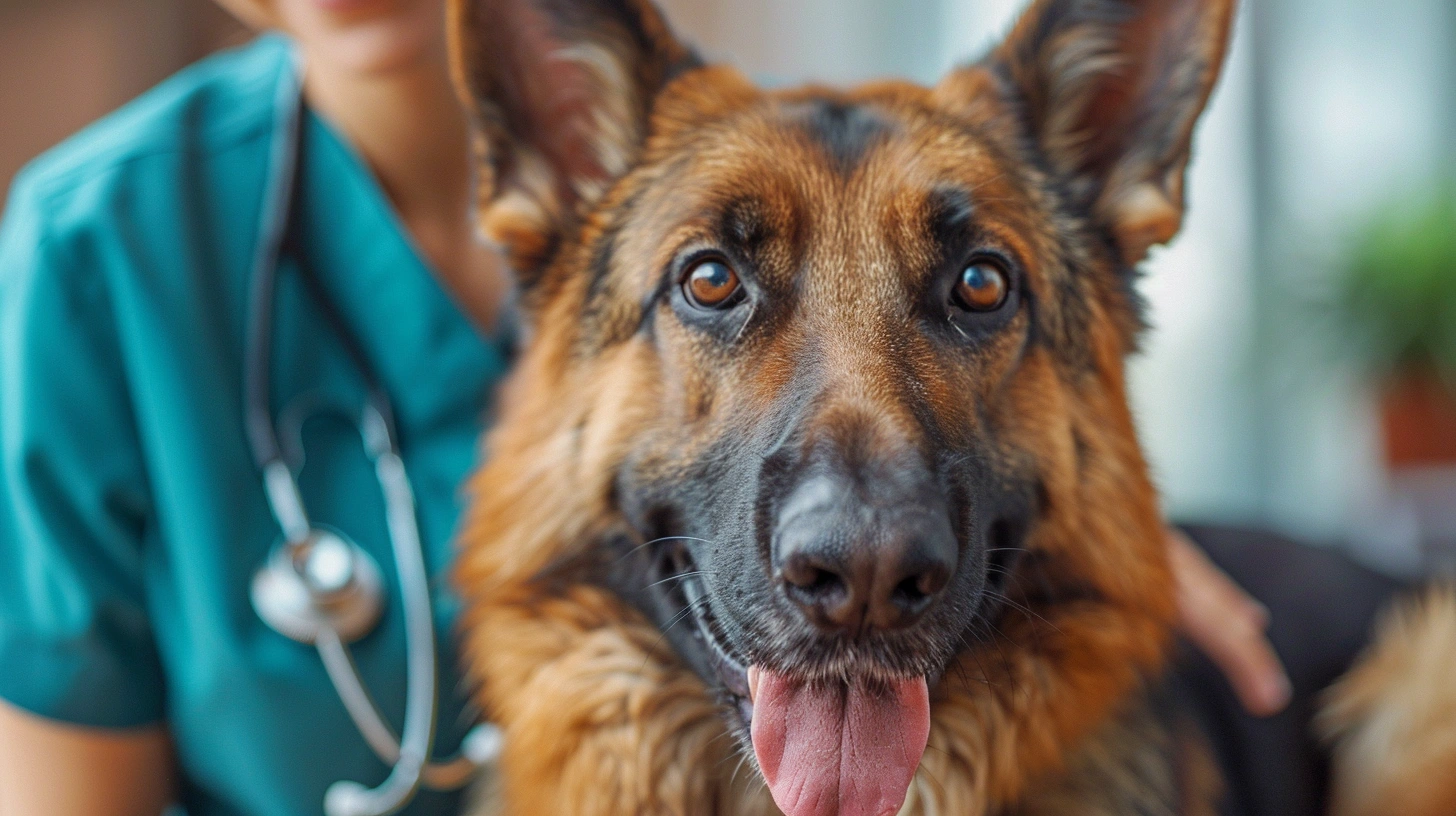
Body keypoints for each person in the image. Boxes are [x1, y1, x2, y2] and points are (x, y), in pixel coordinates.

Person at [0, 2, 1296, 814]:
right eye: (715, 285)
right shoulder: (103, 248)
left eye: (974, 288)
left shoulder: (771, 138)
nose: (866, 544)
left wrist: (1066, 536)